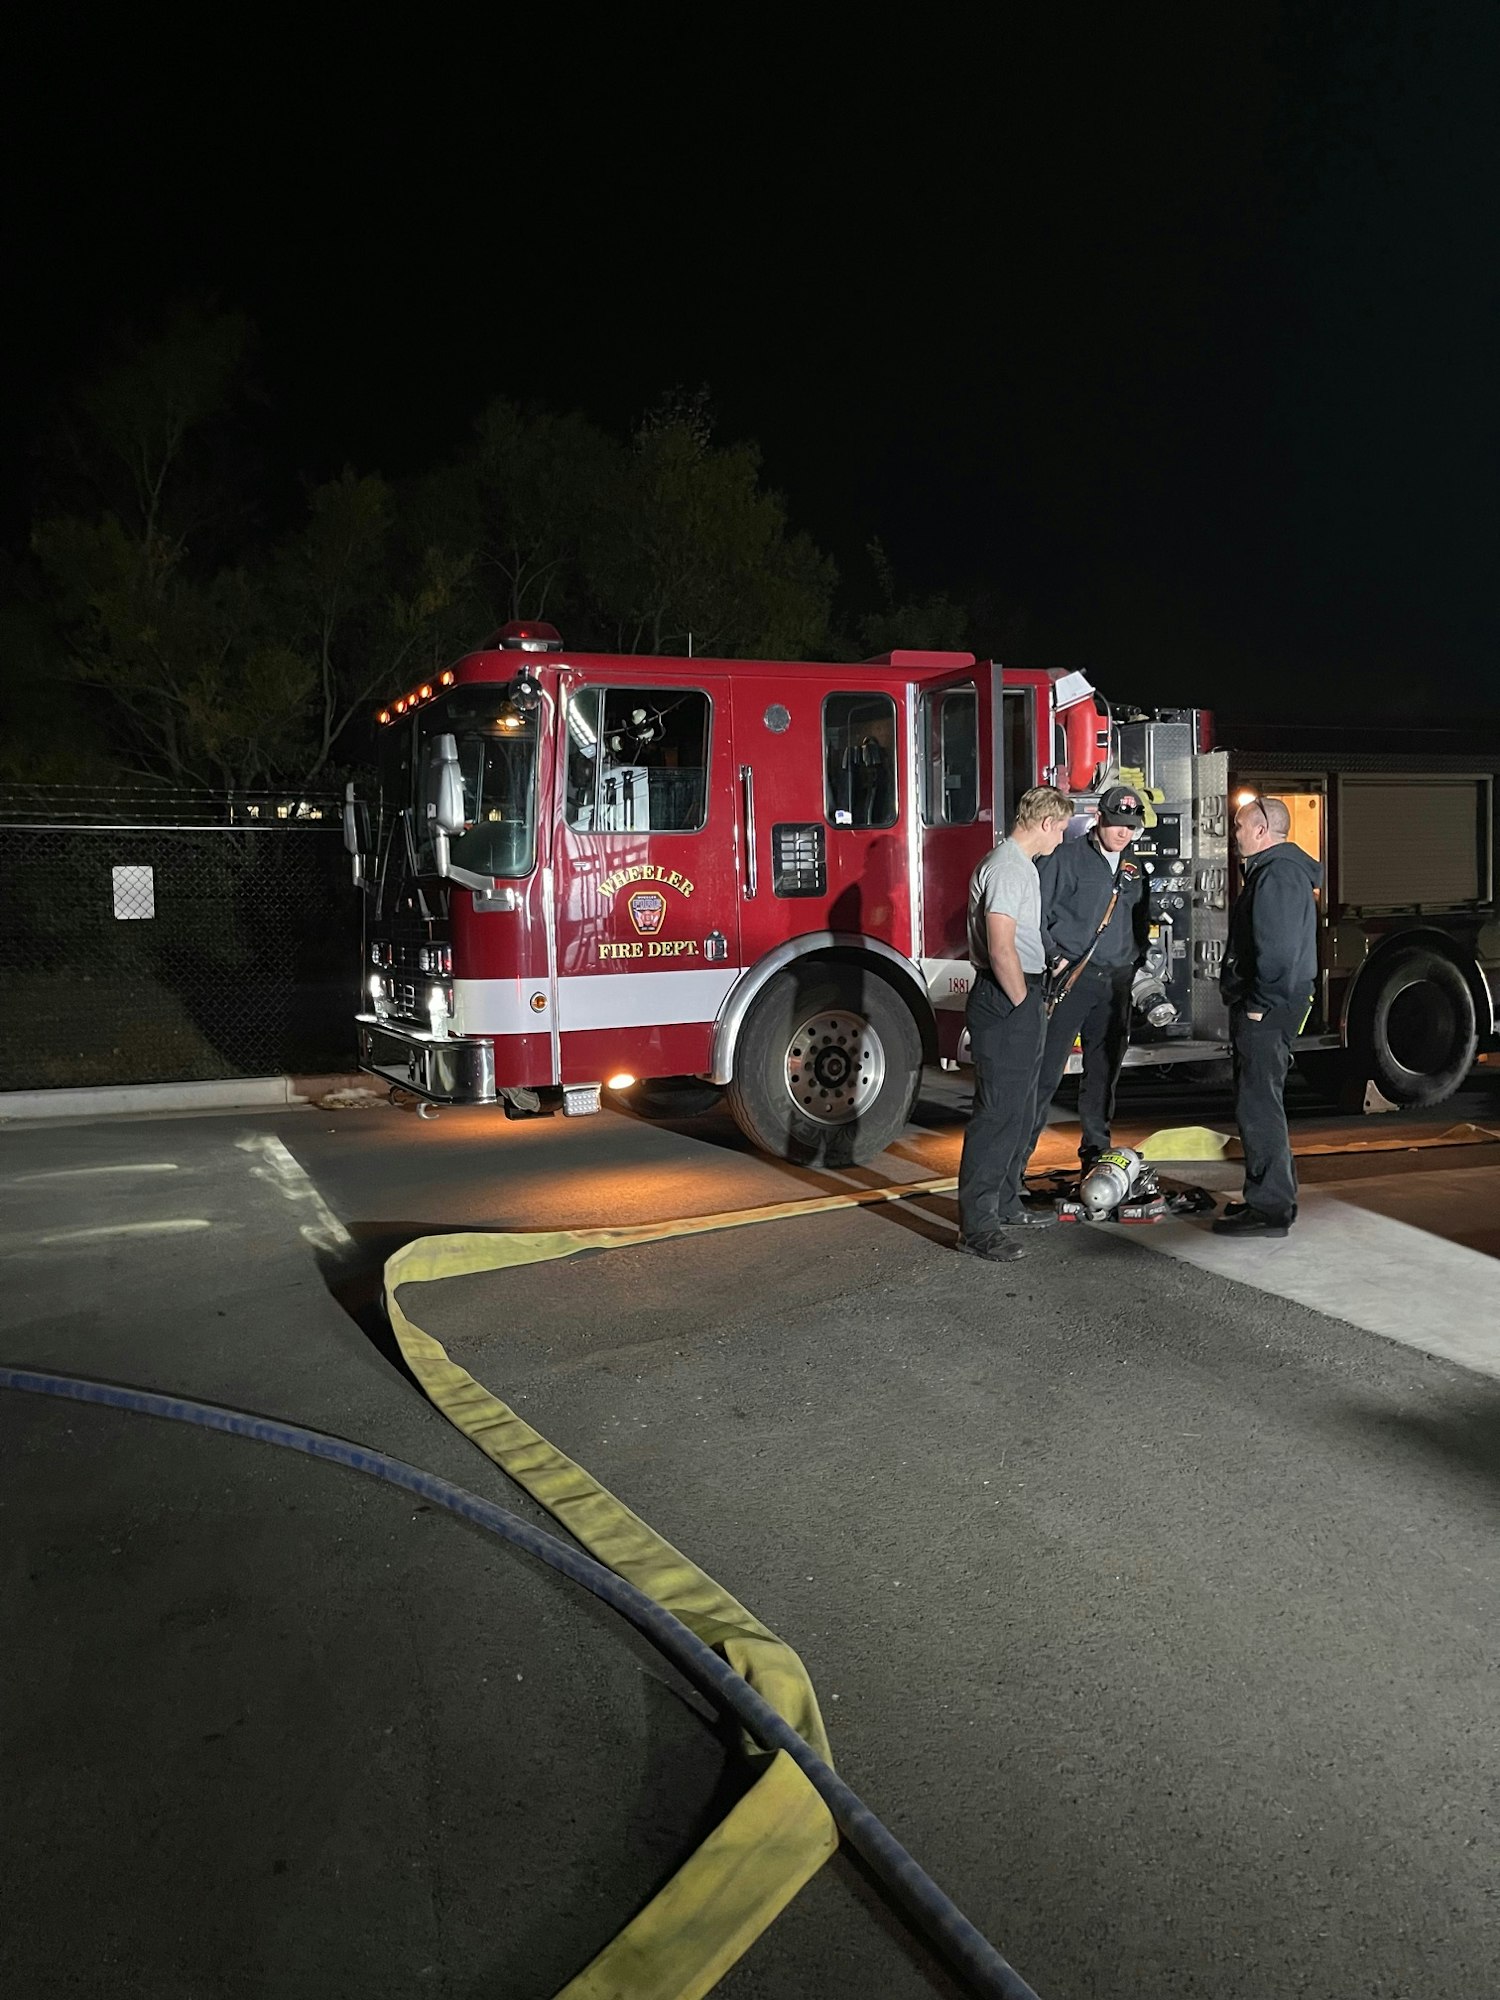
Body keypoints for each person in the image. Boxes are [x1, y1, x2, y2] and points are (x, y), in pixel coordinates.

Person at [956, 784, 1073, 1262]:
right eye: (1062, 828)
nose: (1062, 839)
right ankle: (977, 1228)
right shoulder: (1007, 867)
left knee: (1019, 1109)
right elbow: (1000, 944)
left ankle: (1004, 1202)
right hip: (1007, 998)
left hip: (1020, 992)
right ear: (1046, 823)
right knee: (998, 1114)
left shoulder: (1018, 865)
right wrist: (1024, 1001)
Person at [1025, 783, 1152, 1180]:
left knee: (1103, 1074)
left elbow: (1139, 922)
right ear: (1099, 819)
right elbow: (1034, 915)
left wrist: (1139, 966)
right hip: (1071, 981)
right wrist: (1054, 957)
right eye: (1117, 824)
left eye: (1130, 827)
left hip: (1115, 984)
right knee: (1045, 1074)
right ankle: (1015, 1163)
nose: (1123, 834)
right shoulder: (1065, 858)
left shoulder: (1134, 868)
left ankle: (1096, 1157)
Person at [1213, 794, 1322, 1238]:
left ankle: (1271, 1209)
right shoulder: (1281, 872)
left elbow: (1276, 953)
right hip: (1275, 1005)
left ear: (1261, 831)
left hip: (1268, 1008)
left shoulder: (1276, 877)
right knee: (1259, 1102)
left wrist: (1258, 1005)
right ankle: (1268, 1197)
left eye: (1239, 826)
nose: (1234, 833)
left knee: (1259, 1106)